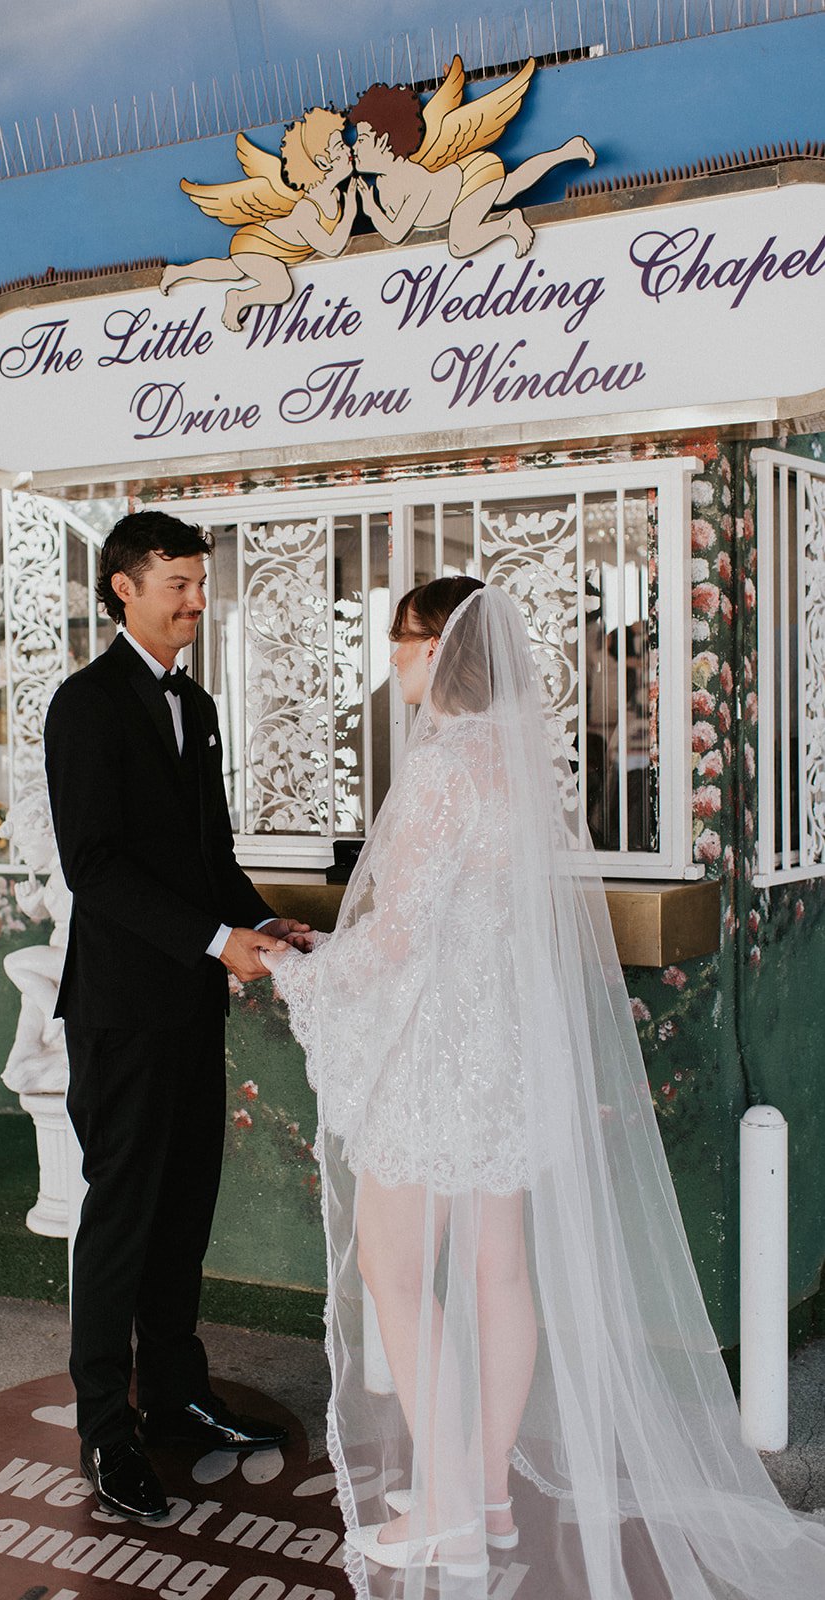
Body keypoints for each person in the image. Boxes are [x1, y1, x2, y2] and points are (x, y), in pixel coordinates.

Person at [265, 576, 825, 1598]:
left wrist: (296, 970)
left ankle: (446, 1513)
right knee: (500, 1272)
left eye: (405, 642)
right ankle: (482, 1494)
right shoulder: (524, 765)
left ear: (443, 651)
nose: (395, 661)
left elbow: (399, 937)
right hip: (510, 1051)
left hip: (438, 1057)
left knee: (396, 1272)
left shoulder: (441, 769)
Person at [44, 510, 312, 1522]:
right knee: (121, 1219)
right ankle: (106, 1434)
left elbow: (209, 856)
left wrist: (258, 921)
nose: (199, 601)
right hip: (121, 1011)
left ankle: (177, 1395)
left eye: (202, 583)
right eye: (179, 585)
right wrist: (213, 939)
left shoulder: (194, 703)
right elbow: (95, 867)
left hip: (192, 1005)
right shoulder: (84, 704)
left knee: (184, 1207)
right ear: (124, 588)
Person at [348, 58, 593, 261]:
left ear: (384, 142)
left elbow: (395, 233)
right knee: (511, 186)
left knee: (459, 244)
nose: (355, 147)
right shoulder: (384, 183)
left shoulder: (413, 179)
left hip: (472, 179)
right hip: (466, 176)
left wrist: (371, 209)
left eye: (362, 140)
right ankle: (568, 151)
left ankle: (509, 224)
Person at [161, 108, 357, 330]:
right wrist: (350, 212)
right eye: (340, 147)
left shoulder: (334, 195)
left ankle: (178, 271)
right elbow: (332, 248)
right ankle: (238, 299)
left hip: (262, 243)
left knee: (231, 270)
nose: (349, 149)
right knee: (281, 287)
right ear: (322, 162)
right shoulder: (306, 209)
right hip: (258, 244)